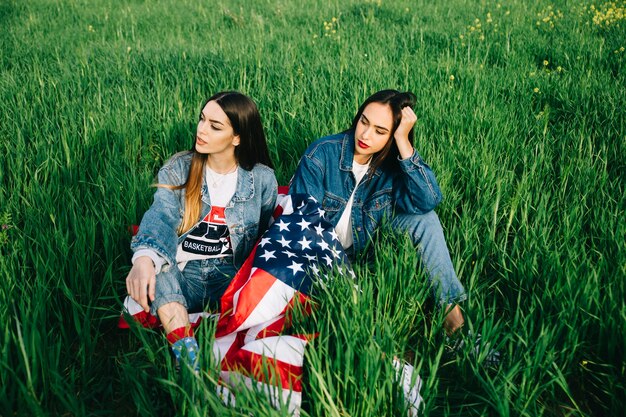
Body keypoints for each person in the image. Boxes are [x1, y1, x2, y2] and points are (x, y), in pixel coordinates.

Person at [290, 89, 465, 334]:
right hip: (321, 255)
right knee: (357, 321)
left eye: (380, 131)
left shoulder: (390, 167)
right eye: (364, 121)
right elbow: (303, 223)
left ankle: (452, 318)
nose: (365, 134)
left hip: (364, 251)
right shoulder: (322, 154)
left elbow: (427, 200)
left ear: (392, 136)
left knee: (426, 219)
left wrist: (404, 142)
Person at [126, 91, 278, 369]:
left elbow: (263, 233)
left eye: (215, 126)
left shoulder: (262, 179)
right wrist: (145, 258)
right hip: (185, 274)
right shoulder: (179, 169)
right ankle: (188, 359)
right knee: (160, 273)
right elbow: (161, 214)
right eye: (202, 119)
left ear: (237, 137)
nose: (201, 129)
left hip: (230, 275)